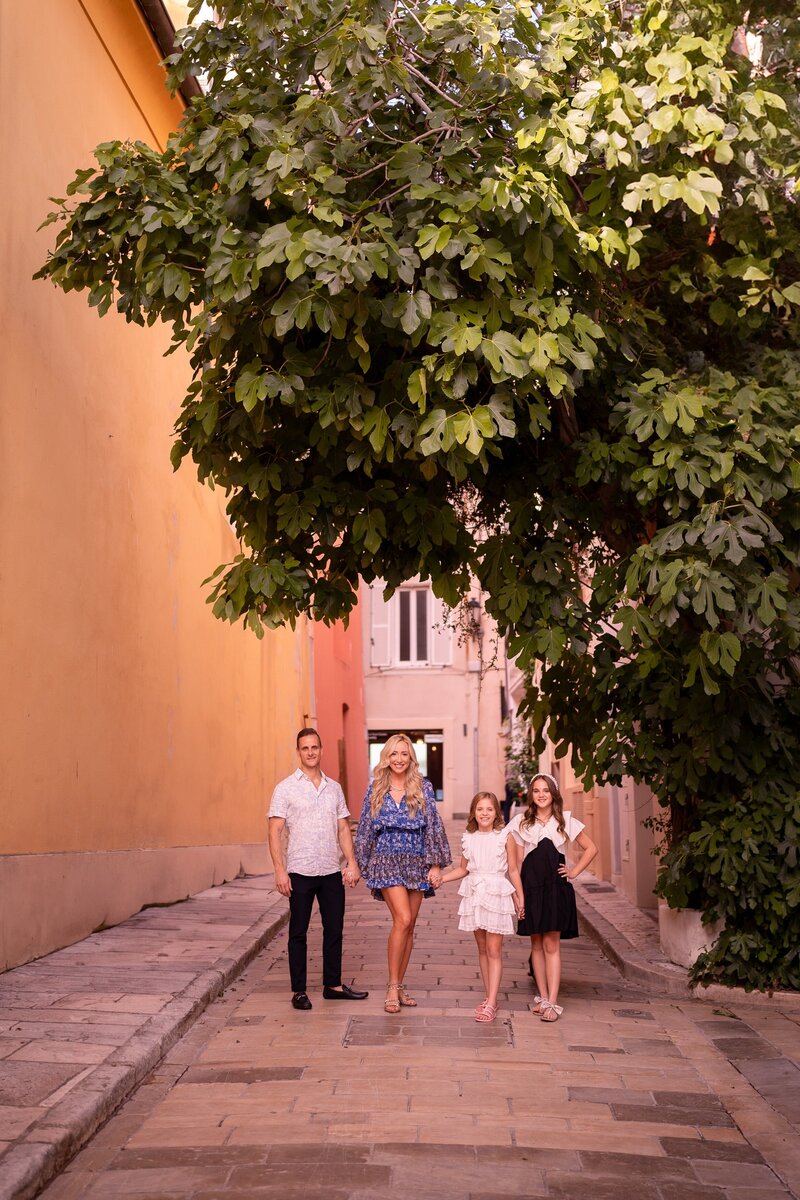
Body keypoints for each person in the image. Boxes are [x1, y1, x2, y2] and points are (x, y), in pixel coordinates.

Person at [268, 727, 369, 1011]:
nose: (310, 752)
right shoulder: (285, 788)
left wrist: (352, 862)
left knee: (334, 928)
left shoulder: (333, 788)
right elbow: (274, 831)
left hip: (329, 870)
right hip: (299, 870)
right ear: (298, 751)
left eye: (314, 747)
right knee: (298, 931)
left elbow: (342, 828)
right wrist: (279, 870)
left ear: (321, 750)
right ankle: (298, 990)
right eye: (305, 748)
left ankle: (333, 985)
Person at [354, 733, 451, 1014]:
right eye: (394, 754)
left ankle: (400, 984)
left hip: (417, 861)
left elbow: (434, 825)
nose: (398, 759)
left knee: (410, 926)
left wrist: (435, 864)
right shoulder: (375, 790)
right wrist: (361, 865)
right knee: (403, 919)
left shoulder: (424, 788)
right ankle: (392, 987)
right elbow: (365, 831)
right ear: (387, 758)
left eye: (404, 754)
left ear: (411, 759)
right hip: (386, 860)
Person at [506, 772, 597, 1022]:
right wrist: (518, 896)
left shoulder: (565, 821)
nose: (541, 795)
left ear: (553, 793)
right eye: (536, 791)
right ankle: (543, 997)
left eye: (545, 790)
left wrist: (574, 871)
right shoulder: (520, 823)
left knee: (551, 944)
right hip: (531, 888)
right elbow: (513, 862)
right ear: (531, 795)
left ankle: (553, 1002)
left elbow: (591, 848)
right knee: (535, 944)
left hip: (556, 888)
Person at [436, 791, 524, 1023]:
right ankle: (489, 995)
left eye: (489, 809)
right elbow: (463, 869)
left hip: (496, 893)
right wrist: (441, 879)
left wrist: (519, 897)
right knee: (483, 949)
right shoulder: (469, 837)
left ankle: (492, 1002)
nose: (484, 813)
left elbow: (513, 870)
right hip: (475, 893)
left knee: (494, 950)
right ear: (473, 812)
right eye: (480, 809)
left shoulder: (506, 836)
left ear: (496, 812)